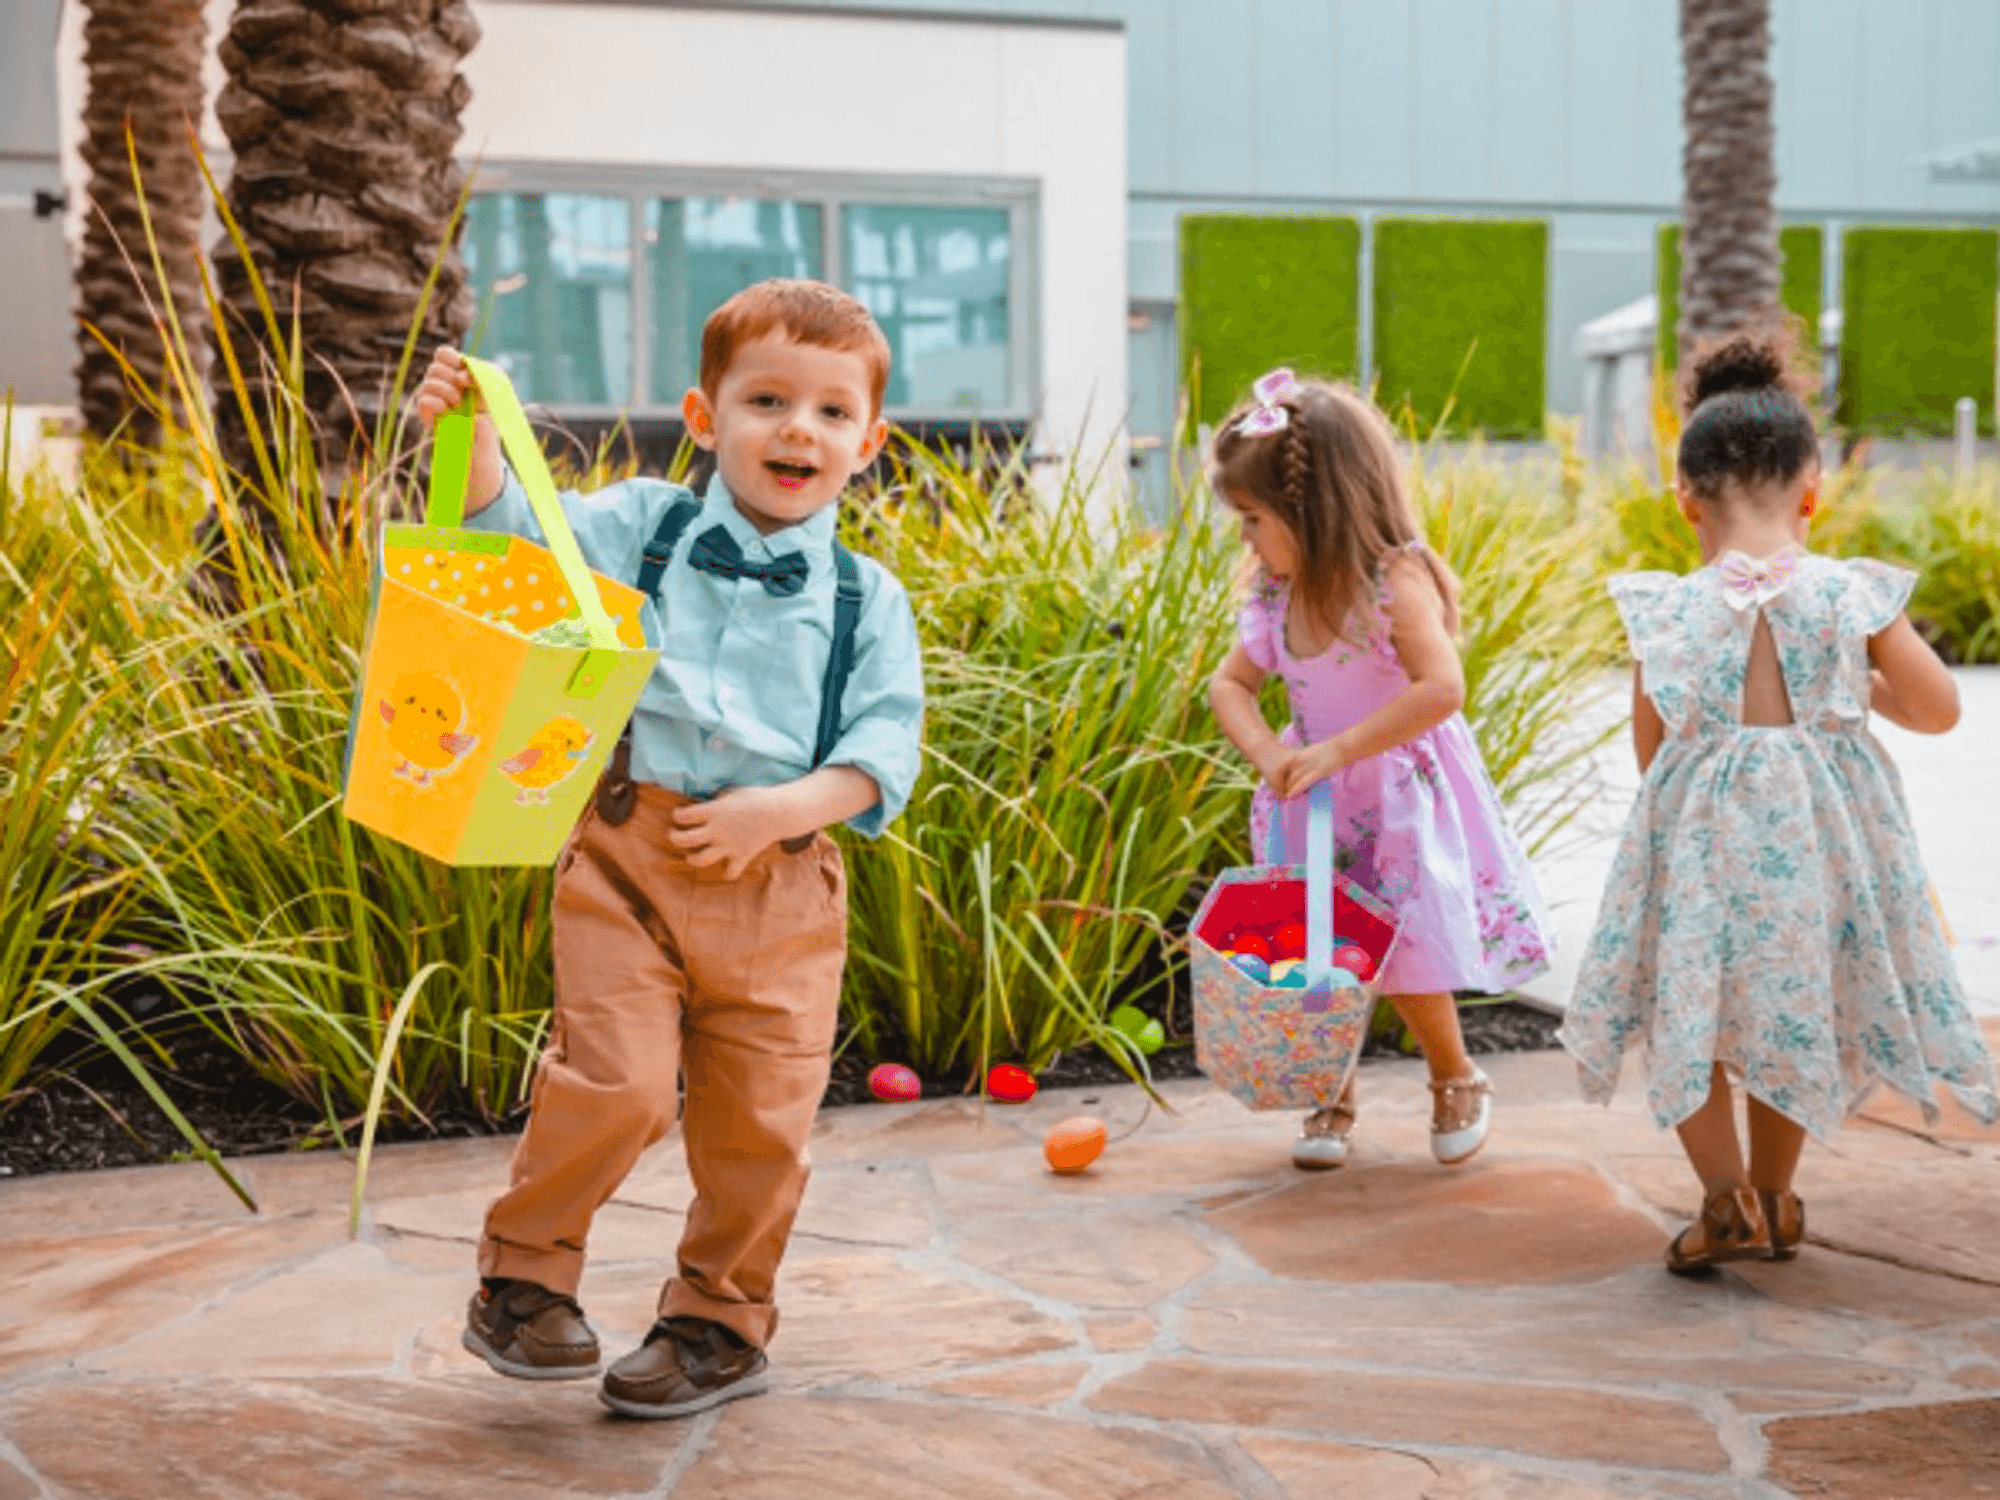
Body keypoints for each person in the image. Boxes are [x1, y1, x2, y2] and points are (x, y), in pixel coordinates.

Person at [410, 279, 924, 1415]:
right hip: (624, 861)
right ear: (705, 417)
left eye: (833, 413)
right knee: (620, 1082)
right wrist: (474, 446)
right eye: (768, 400)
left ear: (869, 443)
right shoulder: (644, 526)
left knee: (759, 1124)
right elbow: (514, 548)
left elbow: (883, 753)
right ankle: (523, 1280)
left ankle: (716, 1321)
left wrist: (776, 812)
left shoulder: (864, 598)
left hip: (779, 887)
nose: (800, 429)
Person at [1559, 327, 1998, 1274]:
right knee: (1790, 1009)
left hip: (1704, 852)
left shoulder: (1666, 608)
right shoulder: (1851, 597)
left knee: (1695, 1014)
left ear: (1685, 503)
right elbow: (1939, 707)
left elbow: (1653, 749)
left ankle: (1722, 1204)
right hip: (1818, 855)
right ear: (1813, 492)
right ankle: (1779, 1196)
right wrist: (1854, 693)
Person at [1206, 368, 1554, 1171]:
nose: (1247, 540)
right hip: (1315, 803)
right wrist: (1270, 752)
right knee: (1320, 954)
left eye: (1255, 520)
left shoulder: (1391, 583)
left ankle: (1455, 1074)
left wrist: (1340, 748)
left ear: (1312, 511)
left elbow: (1442, 688)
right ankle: (1332, 1092)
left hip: (1396, 799)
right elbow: (1231, 684)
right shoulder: (1273, 593)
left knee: (1408, 951)